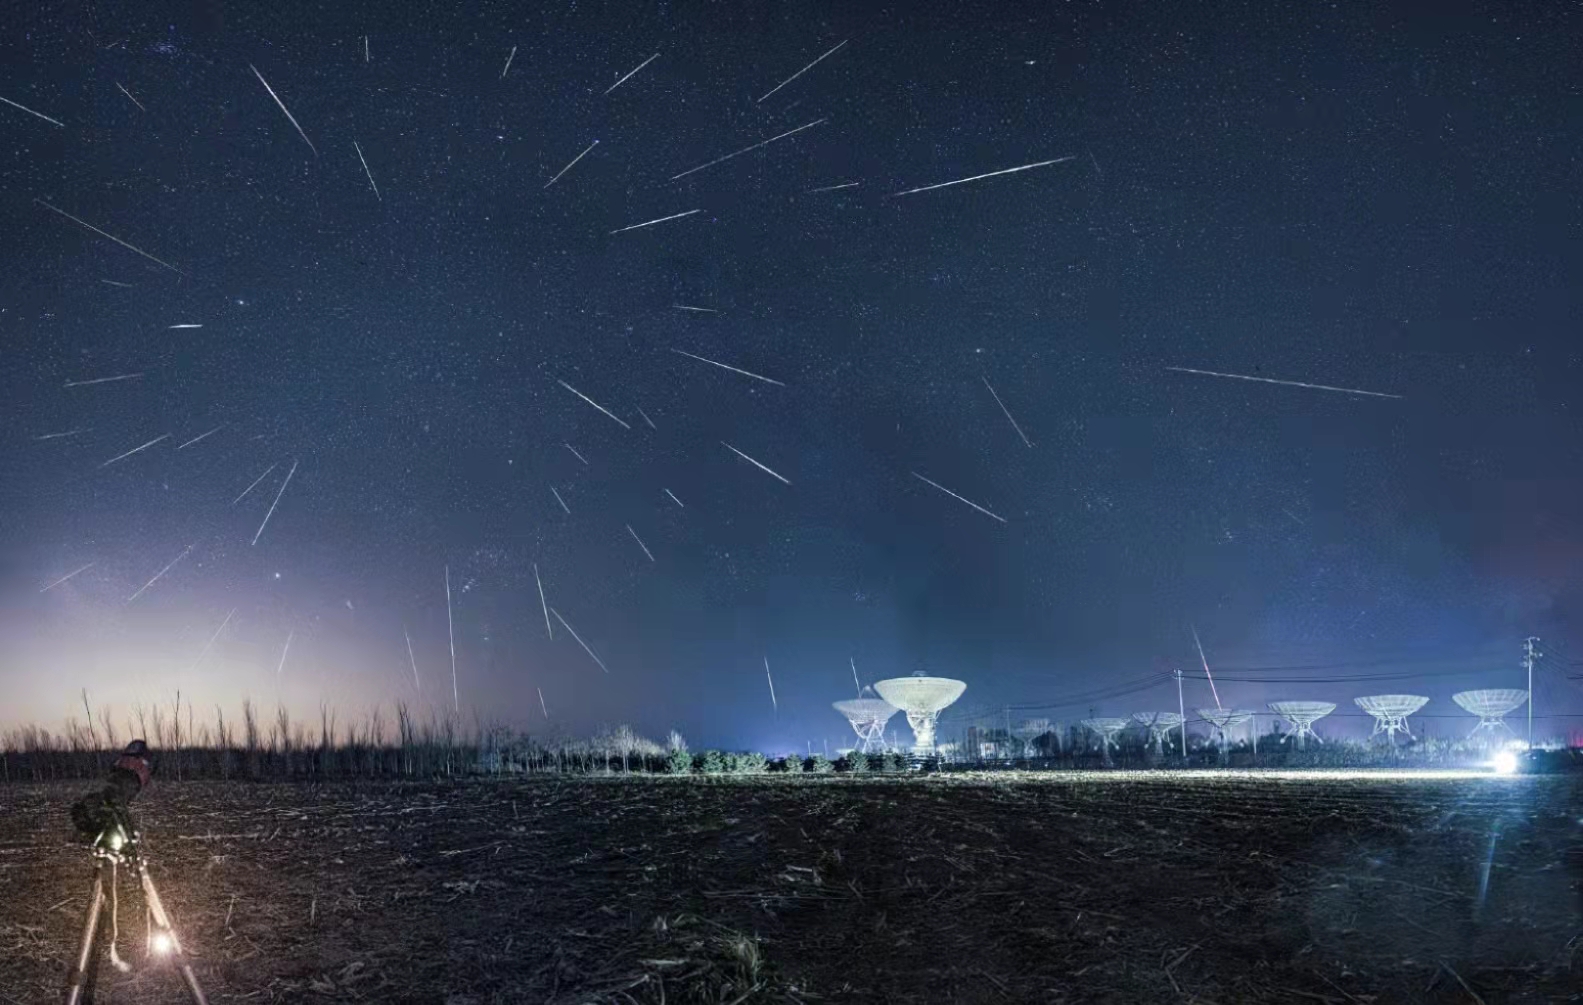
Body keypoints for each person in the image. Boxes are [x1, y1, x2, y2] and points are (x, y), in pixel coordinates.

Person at [70, 740, 152, 842]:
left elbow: (117, 805)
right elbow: (117, 805)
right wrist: (129, 834)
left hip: (101, 813)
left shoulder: (120, 781)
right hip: (100, 818)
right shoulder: (125, 783)